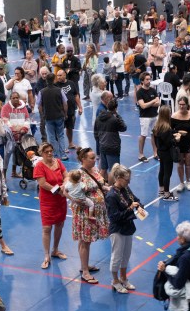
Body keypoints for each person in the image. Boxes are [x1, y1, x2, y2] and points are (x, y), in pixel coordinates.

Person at [70, 147, 109, 284]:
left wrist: (108, 188)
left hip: (95, 211)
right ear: (83, 159)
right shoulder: (77, 174)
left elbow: (100, 185)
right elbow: (68, 191)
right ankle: (85, 272)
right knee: (85, 241)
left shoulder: (95, 170)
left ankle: (84, 265)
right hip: (85, 213)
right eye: (92, 158)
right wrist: (78, 201)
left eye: (95, 158)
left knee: (86, 241)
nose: (95, 160)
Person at [105, 164, 143, 293]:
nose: (129, 182)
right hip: (117, 229)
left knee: (126, 255)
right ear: (119, 178)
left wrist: (139, 206)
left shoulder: (126, 189)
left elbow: (136, 200)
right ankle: (115, 281)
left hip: (128, 227)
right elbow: (114, 217)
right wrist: (130, 209)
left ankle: (124, 278)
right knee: (117, 256)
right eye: (127, 179)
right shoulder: (111, 196)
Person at [34, 142, 68, 269]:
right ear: (41, 153)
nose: (49, 153)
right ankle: (47, 255)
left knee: (59, 224)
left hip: (60, 200)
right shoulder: (39, 166)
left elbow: (66, 175)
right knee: (47, 228)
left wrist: (64, 184)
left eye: (51, 150)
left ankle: (55, 250)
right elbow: (42, 183)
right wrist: (58, 190)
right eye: (46, 151)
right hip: (48, 201)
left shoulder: (58, 162)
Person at [171, 96, 190, 192]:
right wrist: (178, 133)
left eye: (183, 104)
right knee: (180, 163)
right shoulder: (174, 116)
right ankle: (181, 182)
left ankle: (188, 181)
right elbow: (171, 130)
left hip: (189, 143)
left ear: (187, 105)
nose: (182, 106)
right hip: (178, 144)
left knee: (188, 163)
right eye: (180, 104)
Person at [152, 105, 180, 201]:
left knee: (162, 170)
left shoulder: (157, 126)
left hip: (160, 151)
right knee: (167, 173)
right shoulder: (166, 128)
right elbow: (169, 143)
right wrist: (176, 139)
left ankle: (161, 190)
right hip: (167, 153)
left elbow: (158, 140)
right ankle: (167, 194)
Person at [135, 72, 160, 162]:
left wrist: (149, 103)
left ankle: (155, 153)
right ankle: (140, 154)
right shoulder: (139, 92)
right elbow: (143, 106)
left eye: (150, 79)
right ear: (142, 81)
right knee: (144, 135)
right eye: (147, 79)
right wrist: (153, 101)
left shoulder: (153, 90)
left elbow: (159, 103)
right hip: (145, 117)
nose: (149, 81)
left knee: (155, 135)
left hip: (154, 116)